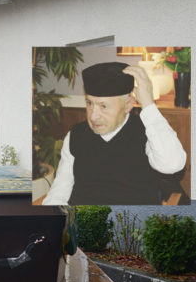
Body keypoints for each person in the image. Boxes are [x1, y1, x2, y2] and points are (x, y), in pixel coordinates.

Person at [42, 63, 187, 205]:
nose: (93, 116)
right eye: (89, 103)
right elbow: (59, 192)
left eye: (103, 106)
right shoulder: (76, 134)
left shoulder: (147, 133)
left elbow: (172, 165)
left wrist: (148, 104)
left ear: (128, 104)